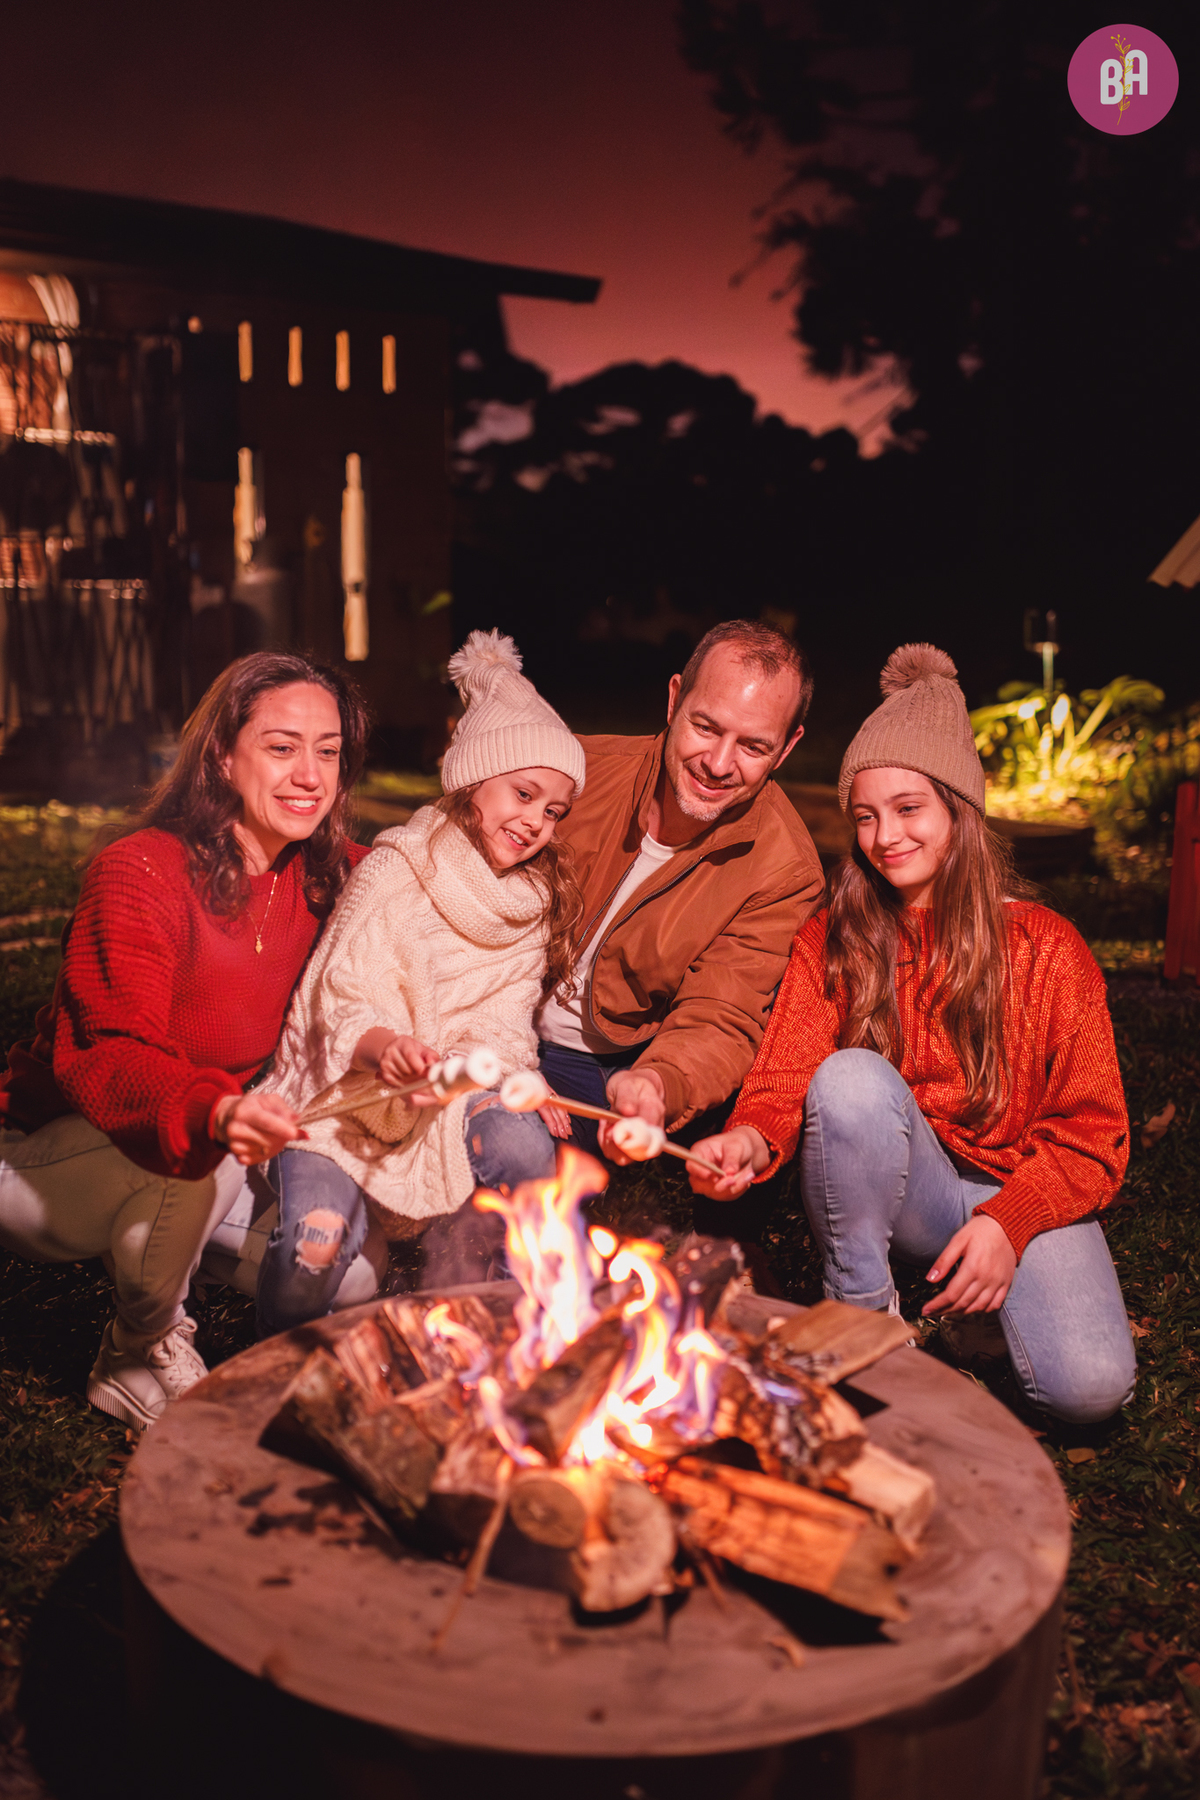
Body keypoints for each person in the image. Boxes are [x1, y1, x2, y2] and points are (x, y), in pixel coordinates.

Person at [688, 643, 1136, 1423]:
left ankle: (984, 1315)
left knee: (1089, 1389)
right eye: (865, 815)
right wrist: (750, 1142)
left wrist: (1011, 1221)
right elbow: (785, 1081)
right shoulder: (836, 936)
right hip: (911, 1192)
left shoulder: (1046, 948)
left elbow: (1094, 1135)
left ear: (958, 812)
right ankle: (866, 1317)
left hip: (1018, 1186)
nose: (883, 835)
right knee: (849, 1077)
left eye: (908, 809)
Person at [0, 652, 371, 1429]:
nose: (310, 774)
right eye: (281, 746)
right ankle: (137, 1350)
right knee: (193, 1170)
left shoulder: (329, 878)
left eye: (328, 750)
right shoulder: (141, 871)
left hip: (211, 1145)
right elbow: (111, 1054)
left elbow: (437, 875)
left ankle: (163, 1259)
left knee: (349, 1280)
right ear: (222, 756)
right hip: (48, 1150)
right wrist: (216, 1114)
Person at [257, 630, 585, 1329]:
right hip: (344, 1099)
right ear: (473, 780)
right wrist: (386, 1045)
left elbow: (503, 1015)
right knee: (314, 1245)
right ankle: (274, 1385)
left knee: (526, 1145)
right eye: (523, 794)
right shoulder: (398, 869)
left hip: (442, 1095)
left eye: (554, 811)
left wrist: (516, 1073)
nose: (534, 822)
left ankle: (515, 1320)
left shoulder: (528, 905)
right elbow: (341, 991)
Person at [537, 619, 823, 1163]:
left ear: (786, 749)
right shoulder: (573, 770)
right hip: (478, 1019)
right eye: (706, 727)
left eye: (754, 746)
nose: (718, 764)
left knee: (516, 1158)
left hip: (597, 1065)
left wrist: (656, 1085)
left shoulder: (784, 871)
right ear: (674, 700)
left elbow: (722, 1013)